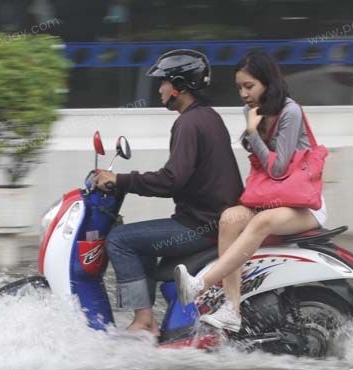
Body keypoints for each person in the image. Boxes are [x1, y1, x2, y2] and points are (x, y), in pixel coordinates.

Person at [174, 50, 327, 332]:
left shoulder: (290, 112)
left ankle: (202, 284)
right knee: (230, 217)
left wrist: (253, 134)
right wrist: (253, 130)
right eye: (239, 88)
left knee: (261, 222)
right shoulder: (252, 112)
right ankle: (232, 309)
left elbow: (278, 168)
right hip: (272, 201)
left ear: (268, 83)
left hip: (303, 207)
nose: (244, 94)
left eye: (249, 86)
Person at [94, 50, 244, 336]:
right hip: (207, 219)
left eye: (163, 82)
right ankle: (147, 318)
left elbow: (171, 180)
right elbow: (179, 177)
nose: (160, 89)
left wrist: (120, 180)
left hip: (200, 225)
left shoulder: (189, 123)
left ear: (179, 85)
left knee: (120, 240)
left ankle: (144, 320)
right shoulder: (206, 117)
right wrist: (127, 180)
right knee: (140, 240)